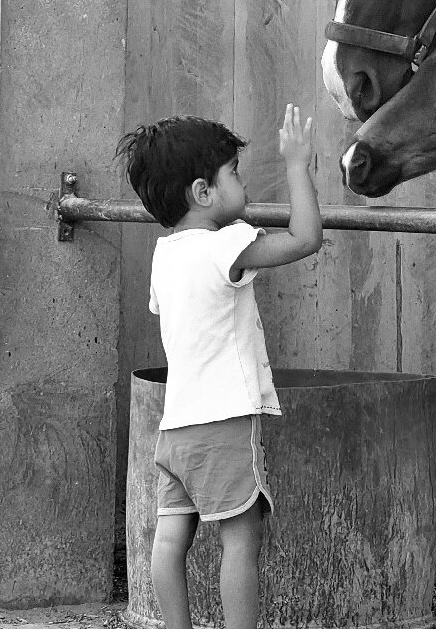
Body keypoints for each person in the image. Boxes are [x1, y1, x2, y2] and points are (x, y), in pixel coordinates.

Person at [115, 104, 323, 629]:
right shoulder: (227, 243)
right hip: (224, 421)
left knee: (169, 540)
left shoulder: (163, 256)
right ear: (203, 193)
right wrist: (297, 165)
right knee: (241, 539)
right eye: (235, 174)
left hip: (175, 428)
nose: (243, 185)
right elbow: (305, 239)